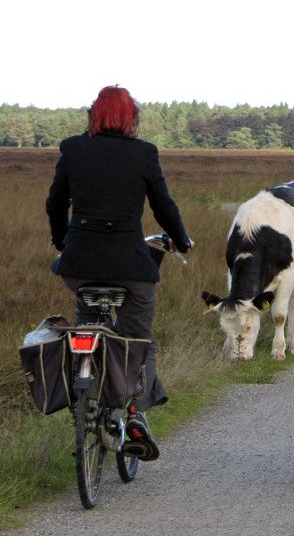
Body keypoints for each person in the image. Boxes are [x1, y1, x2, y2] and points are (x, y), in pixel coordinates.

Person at [46, 85, 192, 461]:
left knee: (86, 322)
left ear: (94, 115)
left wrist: (64, 243)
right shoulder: (144, 153)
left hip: (79, 265)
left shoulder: (72, 149)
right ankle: (135, 412)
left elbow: (55, 204)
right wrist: (182, 240)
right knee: (138, 339)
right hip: (131, 268)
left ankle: (84, 385)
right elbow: (163, 206)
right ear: (131, 118)